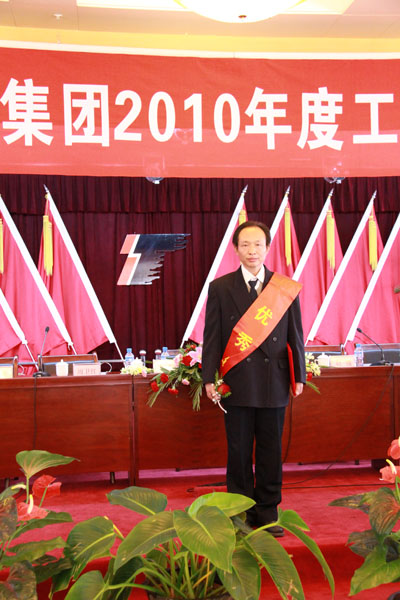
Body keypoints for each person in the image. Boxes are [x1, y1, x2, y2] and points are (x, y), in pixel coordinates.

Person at [202, 220, 306, 537]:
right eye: (245, 244)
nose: (252, 250)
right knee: (238, 451)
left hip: (275, 381)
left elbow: (295, 335)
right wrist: (209, 378)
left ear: (267, 248)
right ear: (236, 249)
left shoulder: (284, 289)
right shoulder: (220, 288)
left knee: (270, 451)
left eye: (258, 244)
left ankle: (268, 511)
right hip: (236, 382)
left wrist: (299, 375)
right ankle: (240, 513)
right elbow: (213, 338)